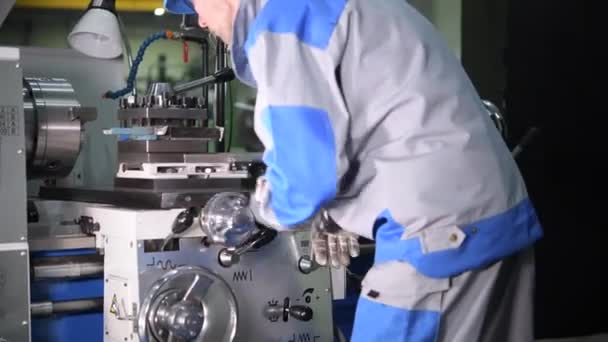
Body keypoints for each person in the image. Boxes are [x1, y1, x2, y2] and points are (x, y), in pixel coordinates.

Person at [164, 0, 544, 341]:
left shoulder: (282, 19)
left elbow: (303, 182)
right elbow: (378, 117)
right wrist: (338, 212)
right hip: (497, 219)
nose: (198, 18)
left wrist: (256, 212)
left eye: (196, 2)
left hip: (436, 239)